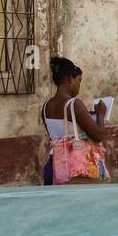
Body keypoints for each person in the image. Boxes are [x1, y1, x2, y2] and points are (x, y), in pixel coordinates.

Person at [41, 56, 108, 185]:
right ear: (71, 79)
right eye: (79, 80)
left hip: (53, 167)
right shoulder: (74, 104)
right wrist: (100, 114)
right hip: (74, 169)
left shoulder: (45, 107)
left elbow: (61, 133)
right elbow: (98, 135)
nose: (79, 85)